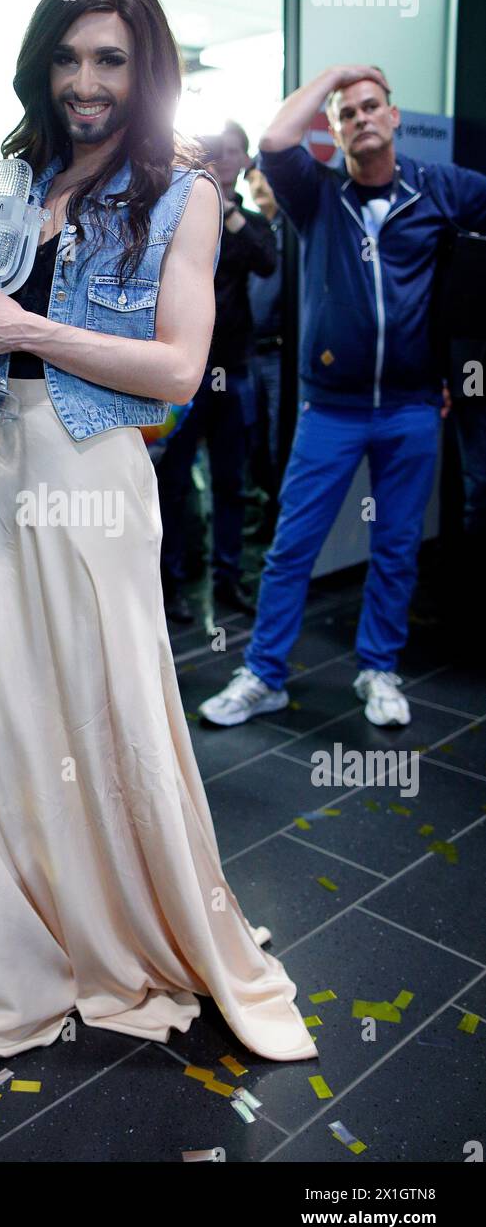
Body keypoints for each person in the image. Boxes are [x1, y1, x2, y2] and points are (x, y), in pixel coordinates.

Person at [0, 0, 317, 1065]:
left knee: (111, 716)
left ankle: (137, 934)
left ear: (143, 69)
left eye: (108, 59)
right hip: (9, 466)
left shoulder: (181, 193)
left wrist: (29, 329)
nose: (85, 81)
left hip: (98, 474)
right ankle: (32, 953)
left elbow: (176, 370)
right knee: (13, 719)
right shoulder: (18, 175)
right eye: (66, 57)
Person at [200, 64, 486, 730]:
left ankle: (378, 669)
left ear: (392, 117)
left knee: (394, 546)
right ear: (333, 130)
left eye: (369, 107)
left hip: (413, 406)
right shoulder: (315, 195)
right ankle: (263, 674)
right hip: (330, 408)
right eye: (345, 113)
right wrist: (335, 74)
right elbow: (273, 142)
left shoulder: (438, 188)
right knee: (290, 546)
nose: (359, 118)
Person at [156, 122, 276, 622]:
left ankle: (229, 577)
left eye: (231, 153)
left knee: (232, 480)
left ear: (244, 159)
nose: (222, 159)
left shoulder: (247, 223)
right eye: (213, 151)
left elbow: (267, 262)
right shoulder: (177, 212)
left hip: (234, 366)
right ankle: (170, 582)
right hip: (181, 370)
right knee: (172, 481)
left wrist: (227, 211)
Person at [246, 165, 284, 537]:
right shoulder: (253, 229)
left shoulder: (290, 231)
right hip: (250, 353)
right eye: (251, 179)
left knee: (276, 439)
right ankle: (264, 509)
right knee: (254, 439)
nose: (258, 184)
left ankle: (277, 517)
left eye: (263, 177)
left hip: (278, 354)